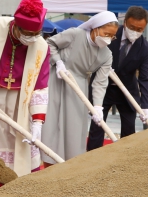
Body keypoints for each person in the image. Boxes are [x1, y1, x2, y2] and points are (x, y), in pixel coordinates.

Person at [0, 0, 50, 193]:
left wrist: (37, 122)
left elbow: (40, 85)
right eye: (28, 33)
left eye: (37, 33)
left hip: (19, 105)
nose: (32, 38)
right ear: (16, 25)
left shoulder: (42, 46)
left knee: (18, 149)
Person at [43, 11, 117, 162]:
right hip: (58, 80)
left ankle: (71, 164)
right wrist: (58, 62)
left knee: (74, 128)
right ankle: (49, 162)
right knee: (52, 123)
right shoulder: (75, 34)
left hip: (79, 88)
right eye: (106, 33)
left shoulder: (107, 55)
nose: (108, 39)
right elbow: (49, 43)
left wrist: (98, 106)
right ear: (95, 28)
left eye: (112, 36)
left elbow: (100, 82)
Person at [86, 6, 148, 150]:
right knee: (97, 126)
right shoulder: (110, 34)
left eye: (139, 29)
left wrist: (146, 105)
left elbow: (145, 77)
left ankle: (125, 159)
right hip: (103, 88)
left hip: (127, 91)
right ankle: (92, 157)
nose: (135, 31)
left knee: (129, 131)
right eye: (132, 27)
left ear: (145, 27)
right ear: (125, 22)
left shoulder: (145, 48)